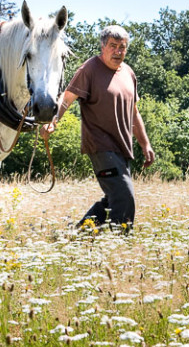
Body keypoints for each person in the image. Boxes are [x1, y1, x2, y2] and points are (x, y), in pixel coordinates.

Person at [44, 25, 154, 231]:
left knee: (113, 198)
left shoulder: (129, 73)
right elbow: (67, 99)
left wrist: (145, 144)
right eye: (113, 46)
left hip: (123, 147)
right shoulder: (90, 69)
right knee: (124, 195)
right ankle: (121, 242)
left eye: (123, 47)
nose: (118, 51)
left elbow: (134, 112)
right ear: (103, 46)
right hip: (100, 146)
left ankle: (79, 234)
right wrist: (53, 121)